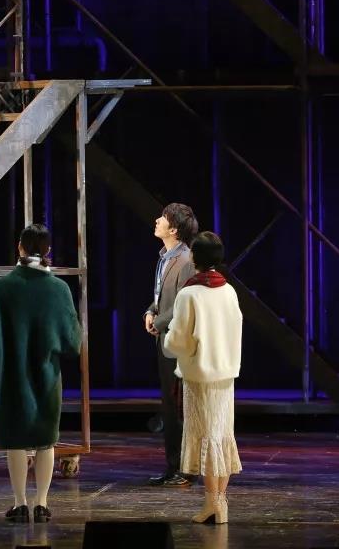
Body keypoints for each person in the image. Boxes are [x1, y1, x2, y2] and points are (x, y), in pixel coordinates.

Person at [0, 224, 81, 524]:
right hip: (47, 374)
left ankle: (20, 502)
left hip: (11, 375)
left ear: (19, 248)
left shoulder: (2, 287)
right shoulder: (58, 289)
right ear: (48, 250)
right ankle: (42, 503)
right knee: (46, 440)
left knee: (15, 440)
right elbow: (73, 340)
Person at [163, 232, 243, 524]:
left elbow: (178, 340)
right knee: (221, 436)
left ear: (195, 257)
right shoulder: (228, 290)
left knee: (209, 437)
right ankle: (219, 501)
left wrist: (167, 341)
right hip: (225, 376)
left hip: (199, 376)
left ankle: (215, 504)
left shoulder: (190, 293)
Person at [143, 203, 199, 487]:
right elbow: (161, 296)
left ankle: (185, 469)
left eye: (163, 218)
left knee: (179, 407)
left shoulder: (186, 260)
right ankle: (173, 466)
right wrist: (150, 312)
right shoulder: (165, 257)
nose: (157, 220)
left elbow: (182, 302)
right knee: (169, 406)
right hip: (164, 337)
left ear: (174, 229)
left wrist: (159, 320)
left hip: (177, 342)